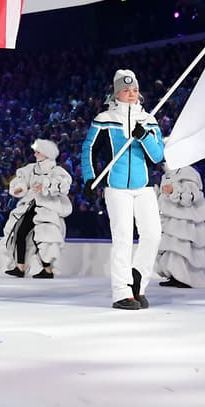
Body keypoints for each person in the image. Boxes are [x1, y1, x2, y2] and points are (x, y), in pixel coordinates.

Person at [82, 69, 164, 310]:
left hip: (144, 187)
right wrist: (90, 178)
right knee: (123, 239)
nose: (131, 94)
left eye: (135, 90)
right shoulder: (104, 119)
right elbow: (89, 149)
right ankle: (121, 292)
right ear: (116, 93)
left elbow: (158, 156)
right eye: (126, 90)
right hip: (116, 188)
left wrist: (144, 136)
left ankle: (137, 281)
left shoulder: (149, 120)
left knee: (153, 235)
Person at [2, 139, 72, 278]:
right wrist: (20, 188)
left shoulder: (56, 171)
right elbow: (22, 180)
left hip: (47, 207)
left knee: (43, 238)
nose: (35, 154)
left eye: (38, 152)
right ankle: (20, 267)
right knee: (20, 232)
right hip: (31, 205)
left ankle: (47, 270)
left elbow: (64, 185)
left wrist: (46, 186)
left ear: (46, 153)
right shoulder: (31, 168)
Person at [154, 164, 205, 288]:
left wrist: (173, 191)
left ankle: (186, 278)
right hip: (171, 218)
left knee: (182, 248)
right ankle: (175, 276)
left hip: (185, 220)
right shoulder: (167, 174)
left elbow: (192, 196)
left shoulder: (188, 172)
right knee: (172, 248)